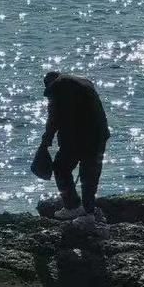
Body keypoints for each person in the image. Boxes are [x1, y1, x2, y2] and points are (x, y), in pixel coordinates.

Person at [39, 70, 110, 231]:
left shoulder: (57, 86)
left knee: (60, 168)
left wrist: (45, 143)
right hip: (100, 134)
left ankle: (72, 206)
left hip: (78, 136)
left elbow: (53, 118)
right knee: (89, 175)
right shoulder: (84, 82)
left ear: (49, 83)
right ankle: (89, 214)